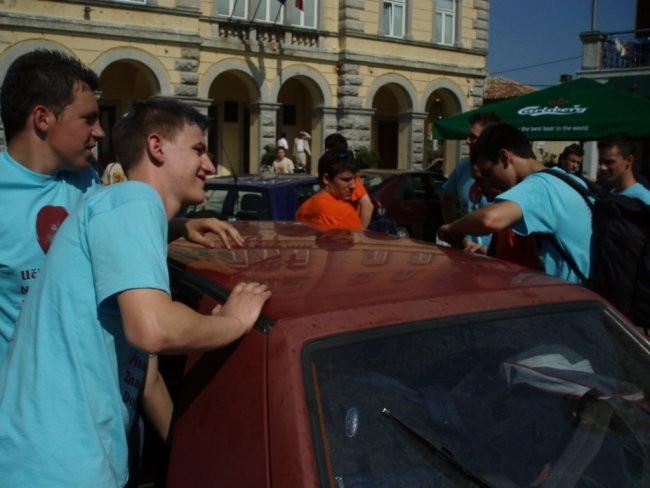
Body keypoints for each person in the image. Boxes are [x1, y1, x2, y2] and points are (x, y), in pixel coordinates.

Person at [0, 49, 244, 484]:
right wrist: (233, 322)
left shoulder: (93, 187)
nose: (100, 131)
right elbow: (153, 328)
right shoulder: (126, 200)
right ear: (43, 118)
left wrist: (177, 226)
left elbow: (145, 368)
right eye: (199, 150)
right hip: (52, 444)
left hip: (88, 431)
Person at [437, 123, 592, 284]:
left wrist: (452, 228)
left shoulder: (539, 186)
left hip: (566, 299)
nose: (488, 182)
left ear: (505, 157)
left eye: (488, 173)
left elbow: (489, 219)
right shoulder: (569, 180)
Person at [439, 112, 501, 249]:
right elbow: (446, 197)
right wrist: (454, 231)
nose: (467, 141)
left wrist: (488, 251)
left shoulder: (502, 172)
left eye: (473, 137)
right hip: (464, 256)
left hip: (495, 260)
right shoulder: (463, 167)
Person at [295, 149, 363, 231]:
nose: (353, 185)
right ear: (326, 179)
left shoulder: (303, 209)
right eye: (346, 180)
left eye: (354, 179)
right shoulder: (345, 213)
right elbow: (358, 242)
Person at [324, 132, 374, 228]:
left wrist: (359, 234)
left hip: (346, 232)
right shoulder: (332, 173)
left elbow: (367, 206)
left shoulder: (350, 178)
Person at [597, 133, 650, 204]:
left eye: (609, 162)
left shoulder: (644, 200)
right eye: (600, 162)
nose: (603, 167)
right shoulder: (611, 194)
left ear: (629, 160)